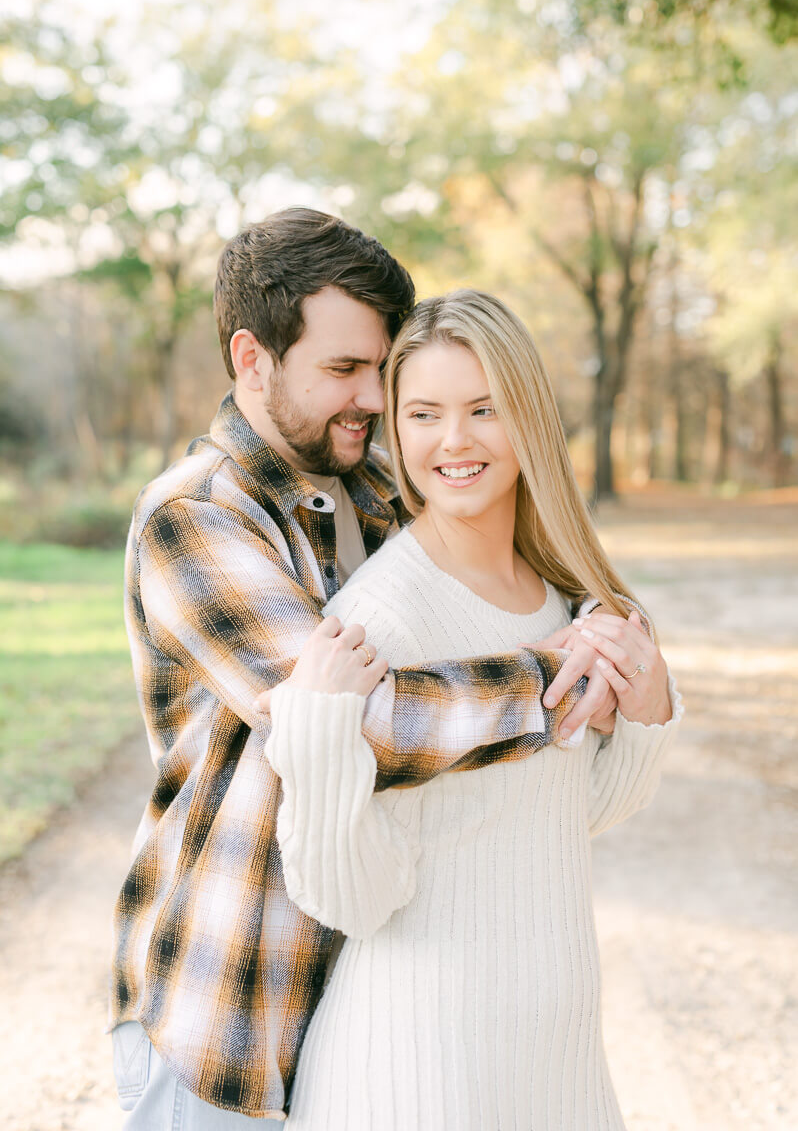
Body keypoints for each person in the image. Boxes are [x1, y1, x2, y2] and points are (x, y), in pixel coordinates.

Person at [109, 209, 637, 1129]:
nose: (368, 397)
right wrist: (553, 679)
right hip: (230, 1012)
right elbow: (347, 723)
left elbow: (500, 574)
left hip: (360, 984)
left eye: (377, 371)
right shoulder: (195, 519)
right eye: (342, 369)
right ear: (252, 359)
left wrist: (605, 627)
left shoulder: (376, 487)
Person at [263, 289, 683, 1131]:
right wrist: (315, 742)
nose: (453, 441)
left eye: (483, 409)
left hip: (550, 1054)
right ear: (395, 431)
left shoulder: (558, 598)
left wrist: (647, 712)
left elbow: (566, 814)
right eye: (423, 413)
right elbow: (353, 899)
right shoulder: (388, 618)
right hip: (421, 1065)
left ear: (527, 415)